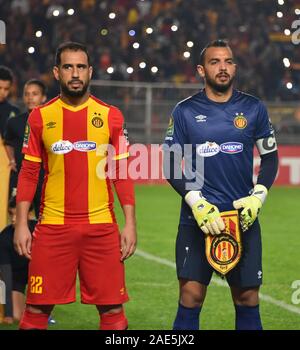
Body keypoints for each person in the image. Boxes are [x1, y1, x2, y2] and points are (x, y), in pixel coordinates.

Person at [14, 42, 137, 330]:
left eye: (81, 66)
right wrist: (21, 223)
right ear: (57, 72)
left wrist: (129, 223)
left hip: (102, 229)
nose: (75, 73)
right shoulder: (40, 117)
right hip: (53, 227)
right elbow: (29, 172)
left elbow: (120, 172)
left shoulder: (111, 116)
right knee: (34, 313)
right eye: (68, 66)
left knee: (113, 315)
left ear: (90, 71)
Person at [163, 40, 278, 330]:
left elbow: (271, 158)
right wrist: (195, 202)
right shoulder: (184, 111)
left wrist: (258, 197)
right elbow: (167, 163)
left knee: (248, 298)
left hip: (243, 219)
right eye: (215, 62)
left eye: (227, 61)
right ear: (202, 69)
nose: (222, 67)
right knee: (191, 296)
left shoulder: (253, 108)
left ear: (235, 67)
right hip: (196, 219)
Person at [4, 79, 47, 218]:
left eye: (34, 94)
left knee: (44, 218)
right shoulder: (14, 122)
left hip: (44, 177)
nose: (30, 97)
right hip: (20, 177)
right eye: (27, 94)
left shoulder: (52, 122)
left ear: (43, 97)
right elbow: (8, 142)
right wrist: (11, 160)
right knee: (17, 217)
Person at [0, 196, 36, 323]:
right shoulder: (4, 237)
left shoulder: (40, 231)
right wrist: (8, 314)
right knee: (16, 316)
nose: (14, 219)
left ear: (30, 214)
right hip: (16, 278)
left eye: (18, 214)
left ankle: (43, 306)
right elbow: (5, 277)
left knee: (37, 313)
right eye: (11, 214)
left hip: (36, 277)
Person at [0, 66, 20, 232]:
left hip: (6, 169)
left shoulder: (13, 112)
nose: (3, 92)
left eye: (6, 89)